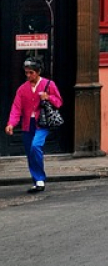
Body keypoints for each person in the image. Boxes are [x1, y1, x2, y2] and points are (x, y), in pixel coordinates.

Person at [5, 58, 63, 193]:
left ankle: (40, 178)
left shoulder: (49, 84)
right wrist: (11, 124)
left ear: (37, 72)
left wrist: (48, 97)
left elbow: (59, 102)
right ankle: (37, 180)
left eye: (31, 73)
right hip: (27, 124)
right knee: (30, 152)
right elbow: (16, 108)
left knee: (36, 146)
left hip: (42, 122)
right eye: (26, 73)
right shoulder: (22, 89)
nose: (28, 75)